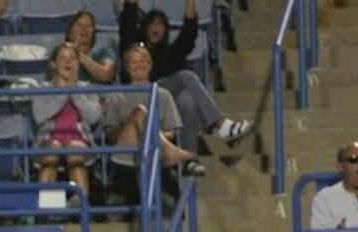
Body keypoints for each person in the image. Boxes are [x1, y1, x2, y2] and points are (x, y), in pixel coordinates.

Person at [119, 0, 253, 160]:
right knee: (186, 76)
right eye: (152, 24)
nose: (156, 27)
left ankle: (190, 160)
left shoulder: (170, 53)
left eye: (161, 24)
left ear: (166, 30)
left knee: (187, 100)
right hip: (137, 99)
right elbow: (129, 16)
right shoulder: (134, 46)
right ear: (145, 27)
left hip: (162, 104)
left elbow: (189, 32)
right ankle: (221, 124)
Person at [104, 43, 196, 177]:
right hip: (125, 156)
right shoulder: (117, 96)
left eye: (142, 61)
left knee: (142, 118)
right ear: (127, 67)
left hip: (155, 154)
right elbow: (110, 134)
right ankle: (170, 152)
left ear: (149, 64)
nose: (139, 66)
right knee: (139, 112)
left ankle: (162, 152)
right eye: (133, 62)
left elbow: (171, 132)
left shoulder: (163, 95)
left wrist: (147, 137)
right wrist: (133, 125)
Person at [31, 41, 103, 200]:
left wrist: (75, 91)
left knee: (74, 152)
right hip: (48, 141)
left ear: (78, 63)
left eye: (72, 58)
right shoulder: (42, 89)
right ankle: (47, 212)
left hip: (79, 141)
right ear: (53, 64)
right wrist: (65, 91)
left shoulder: (87, 88)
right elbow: (39, 116)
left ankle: (81, 213)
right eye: (62, 58)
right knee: (52, 152)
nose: (68, 62)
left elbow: (93, 117)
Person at [65, 8, 116, 84]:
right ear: (70, 31)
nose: (84, 29)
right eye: (80, 25)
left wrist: (78, 53)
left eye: (88, 26)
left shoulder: (104, 52)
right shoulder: (61, 54)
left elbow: (106, 74)